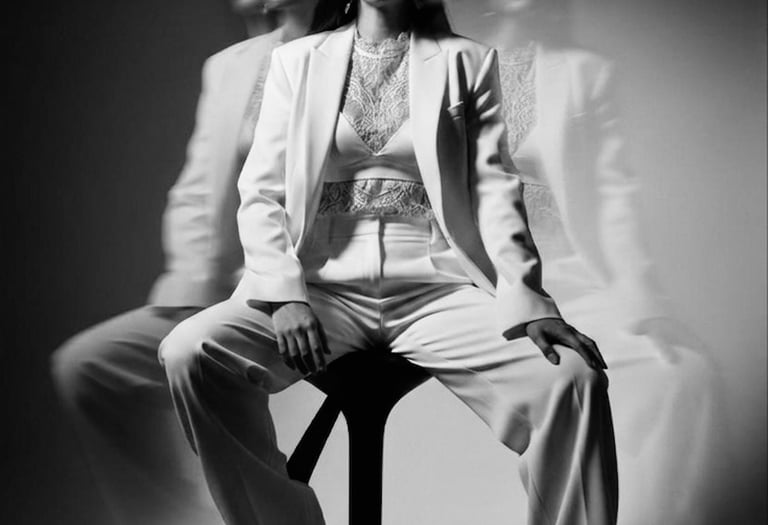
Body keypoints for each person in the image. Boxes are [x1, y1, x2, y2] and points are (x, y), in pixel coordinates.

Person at [158, 1, 619, 524]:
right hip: (322, 288)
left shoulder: (467, 61)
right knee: (191, 352)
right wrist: (284, 295)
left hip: (436, 286)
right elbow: (262, 192)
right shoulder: (297, 60)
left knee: (574, 379)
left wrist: (530, 300)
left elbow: (495, 190)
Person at [445, 0, 727, 523]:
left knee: (687, 377)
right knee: (565, 381)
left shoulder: (584, 73)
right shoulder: (445, 64)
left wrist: (645, 305)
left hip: (570, 274)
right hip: (478, 279)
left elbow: (615, 197)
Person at [50, 2, 318, 524]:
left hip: (317, 292)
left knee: (201, 356)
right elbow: (195, 195)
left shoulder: (356, 51)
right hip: (227, 292)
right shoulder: (230, 66)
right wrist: (192, 291)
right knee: (92, 367)